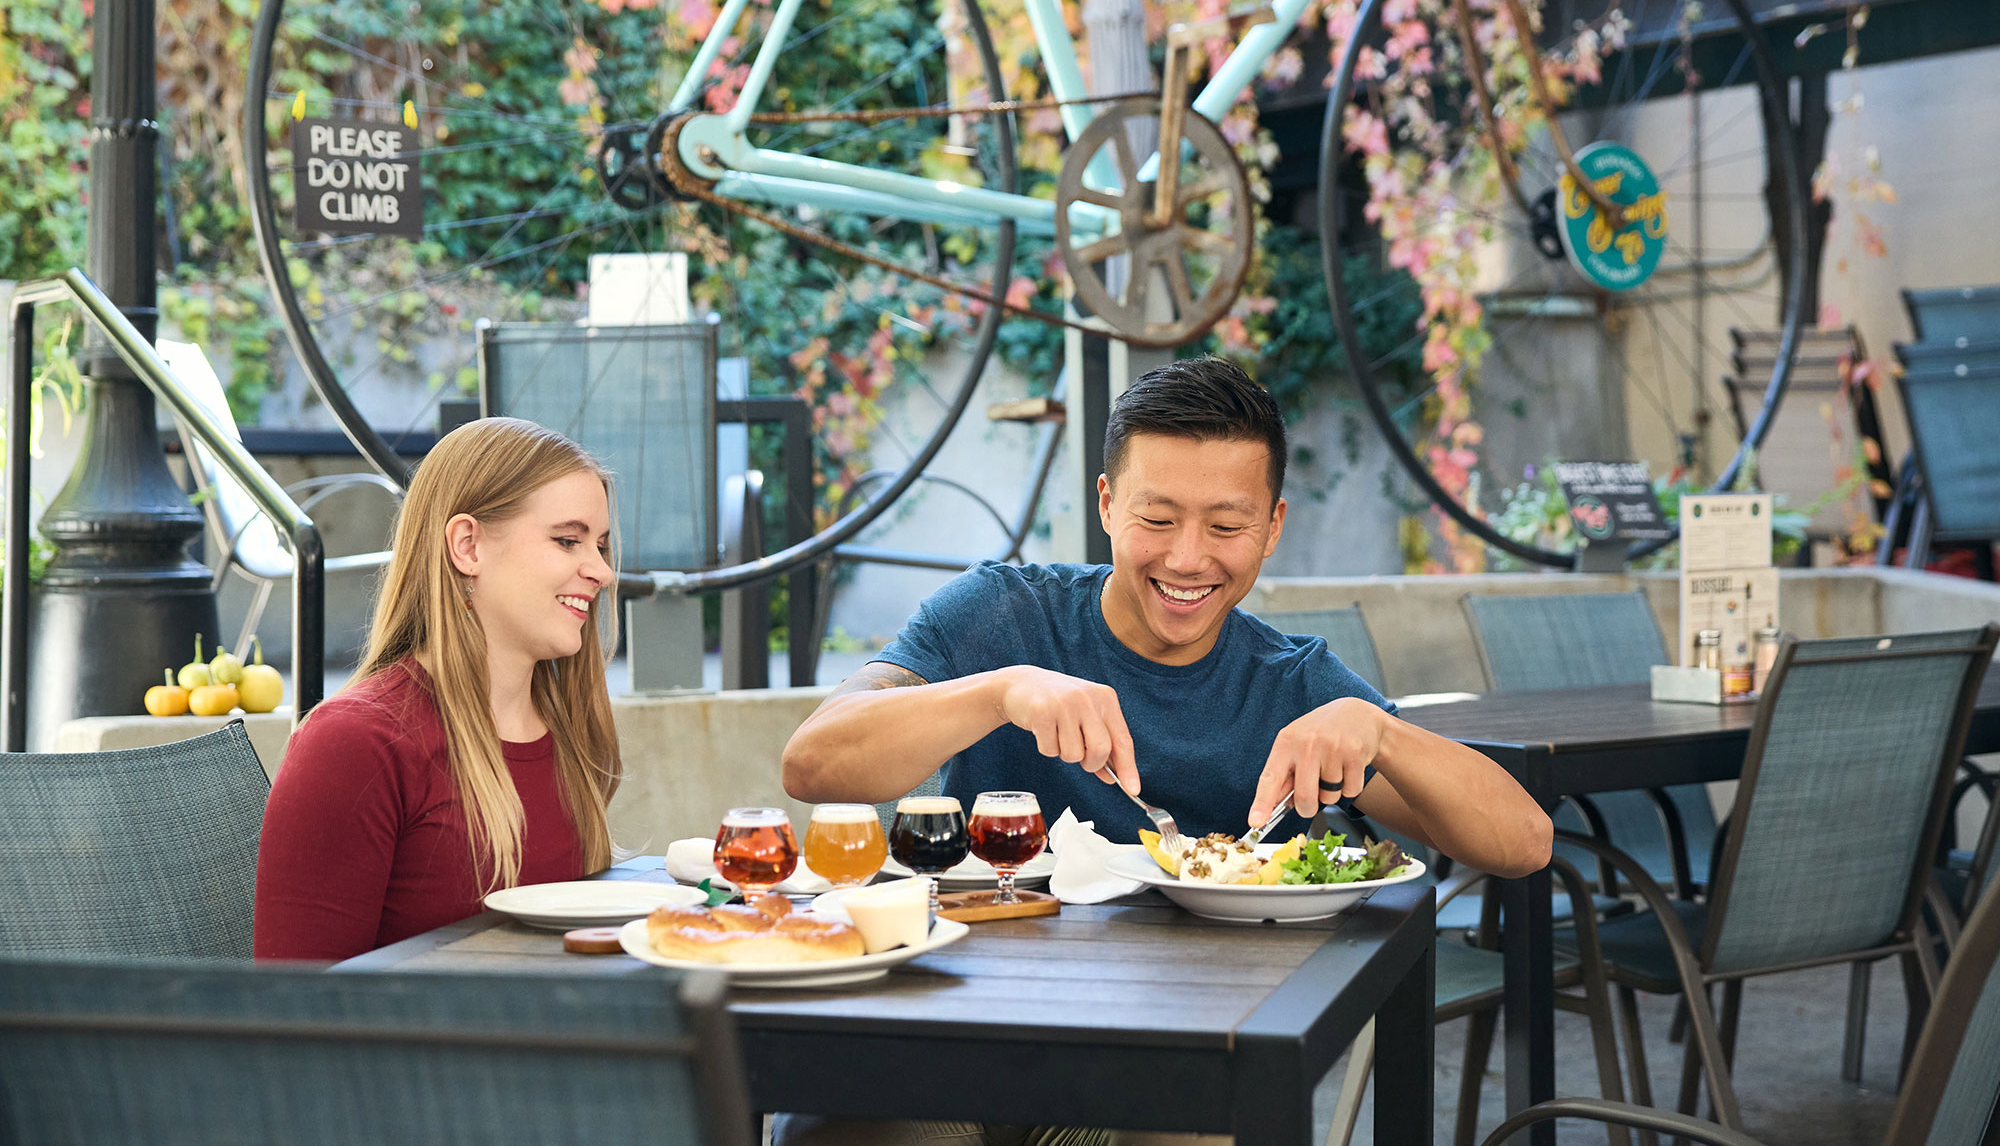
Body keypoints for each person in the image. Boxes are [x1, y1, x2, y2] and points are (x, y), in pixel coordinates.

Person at [784, 355, 1550, 873]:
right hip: (969, 997)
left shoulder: (1291, 683)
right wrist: (1000, 691)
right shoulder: (1004, 612)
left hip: (1179, 1038)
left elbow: (1523, 842)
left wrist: (1382, 729)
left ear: (1273, 527)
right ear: (1108, 504)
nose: (1188, 558)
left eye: (1225, 526)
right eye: (1157, 519)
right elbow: (812, 763)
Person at [255, 417, 621, 962]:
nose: (601, 571)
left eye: (600, 545)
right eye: (568, 540)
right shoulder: (356, 744)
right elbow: (297, 1009)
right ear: (467, 546)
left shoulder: (567, 729)